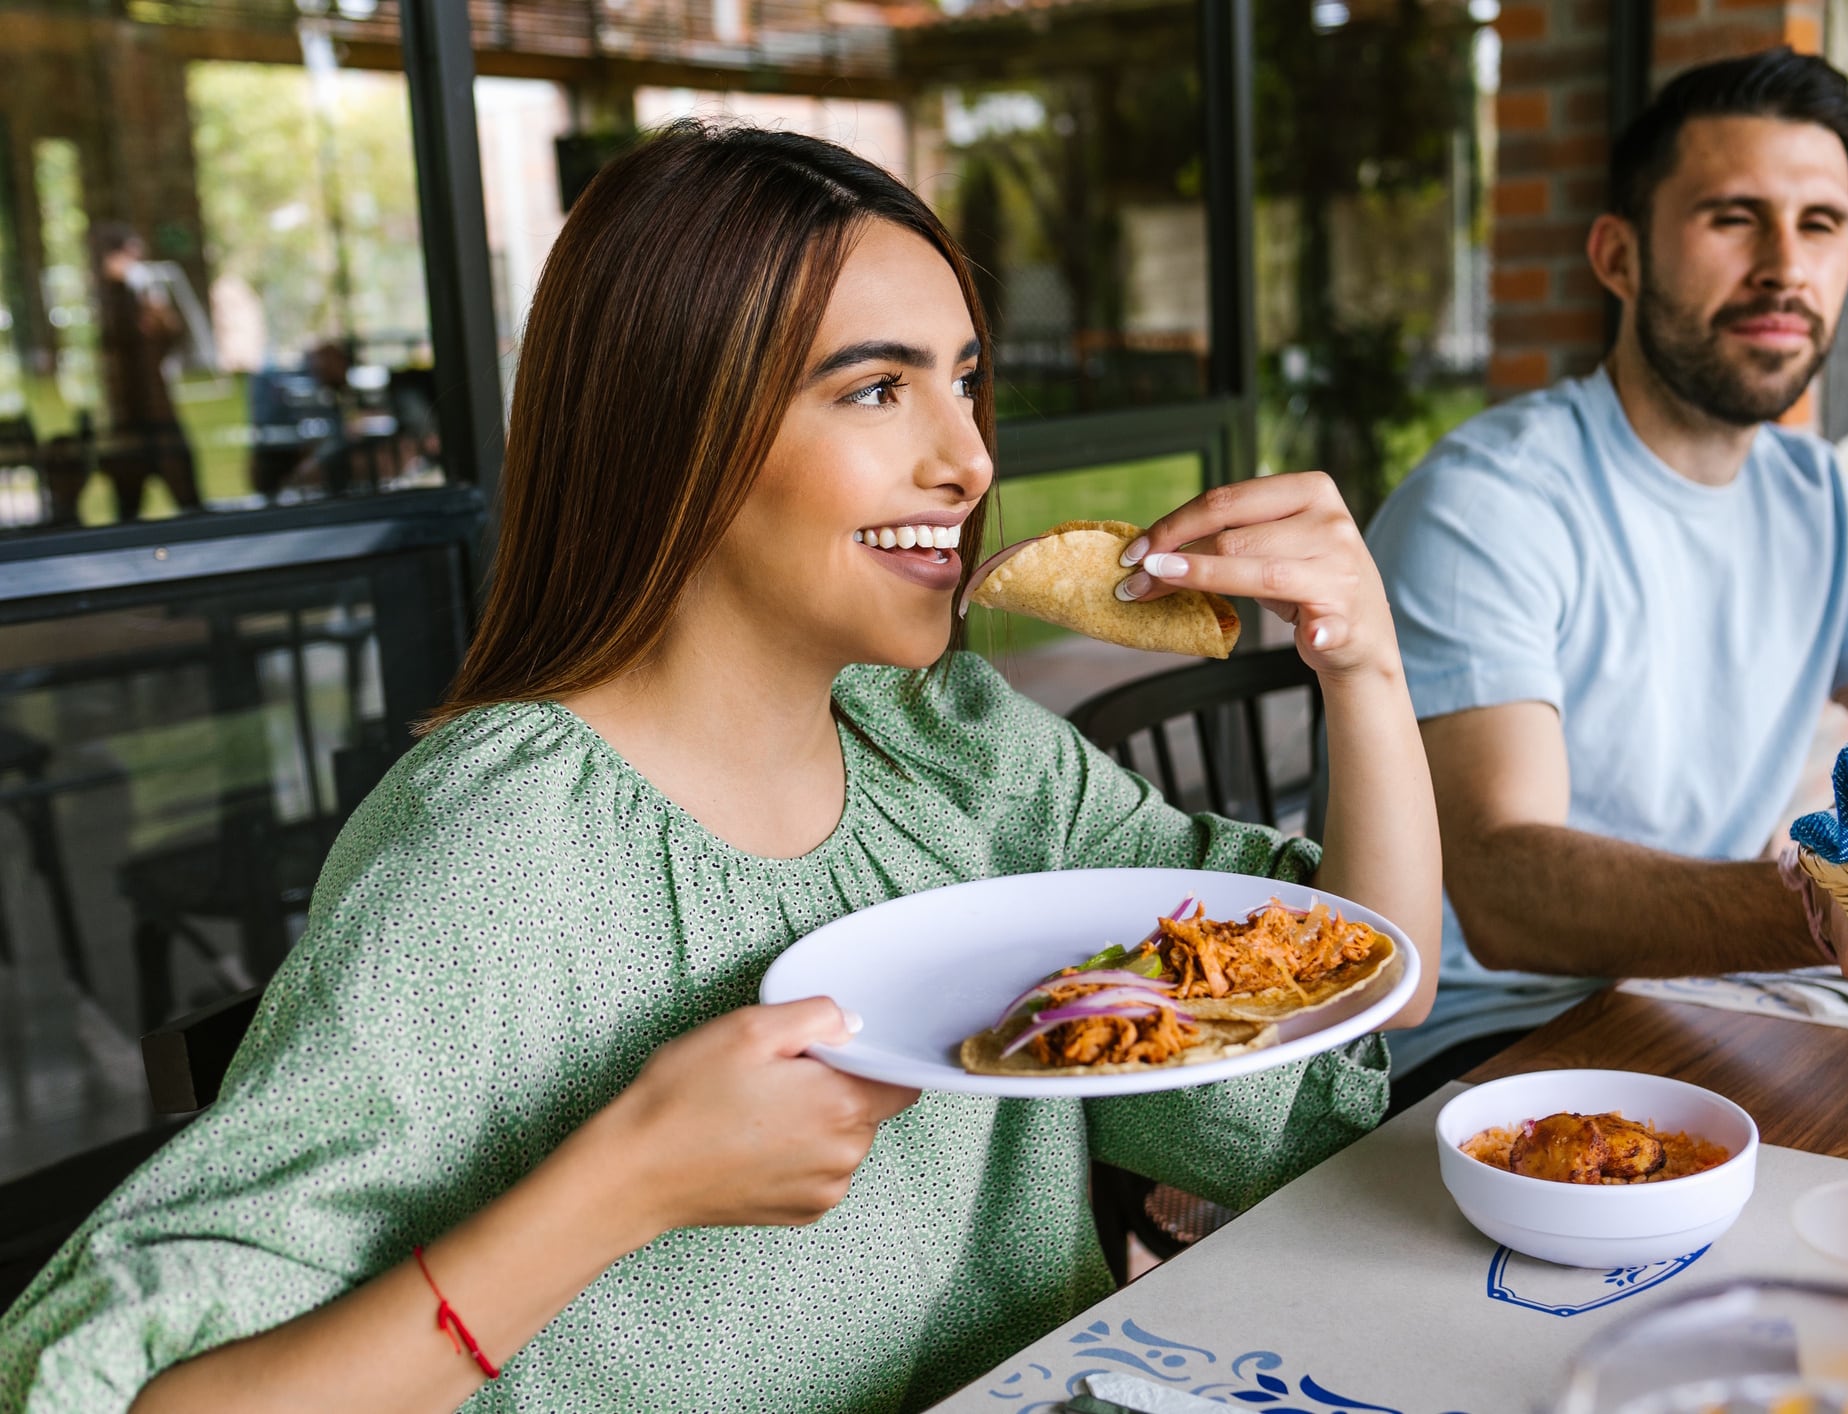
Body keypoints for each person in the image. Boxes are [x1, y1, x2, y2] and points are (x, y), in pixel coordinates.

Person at [0, 124, 1440, 1412]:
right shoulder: (500, 851)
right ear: (675, 427)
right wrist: (626, 1181)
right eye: (876, 391)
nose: (969, 458)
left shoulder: (954, 748)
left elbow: (1357, 985)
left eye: (965, 381)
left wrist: (1362, 665)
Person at [1357, 48, 1848, 1102]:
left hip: (1685, 1009)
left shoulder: (1814, 497)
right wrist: (1835, 910)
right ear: (1618, 256)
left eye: (1821, 224)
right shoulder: (1492, 503)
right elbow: (1505, 890)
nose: (1785, 266)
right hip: (1472, 1050)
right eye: (1732, 217)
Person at [91, 223, 203, 520]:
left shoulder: (142, 295)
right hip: (129, 418)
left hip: (156, 412)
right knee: (129, 510)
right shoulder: (111, 301)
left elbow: (168, 336)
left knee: (189, 503)